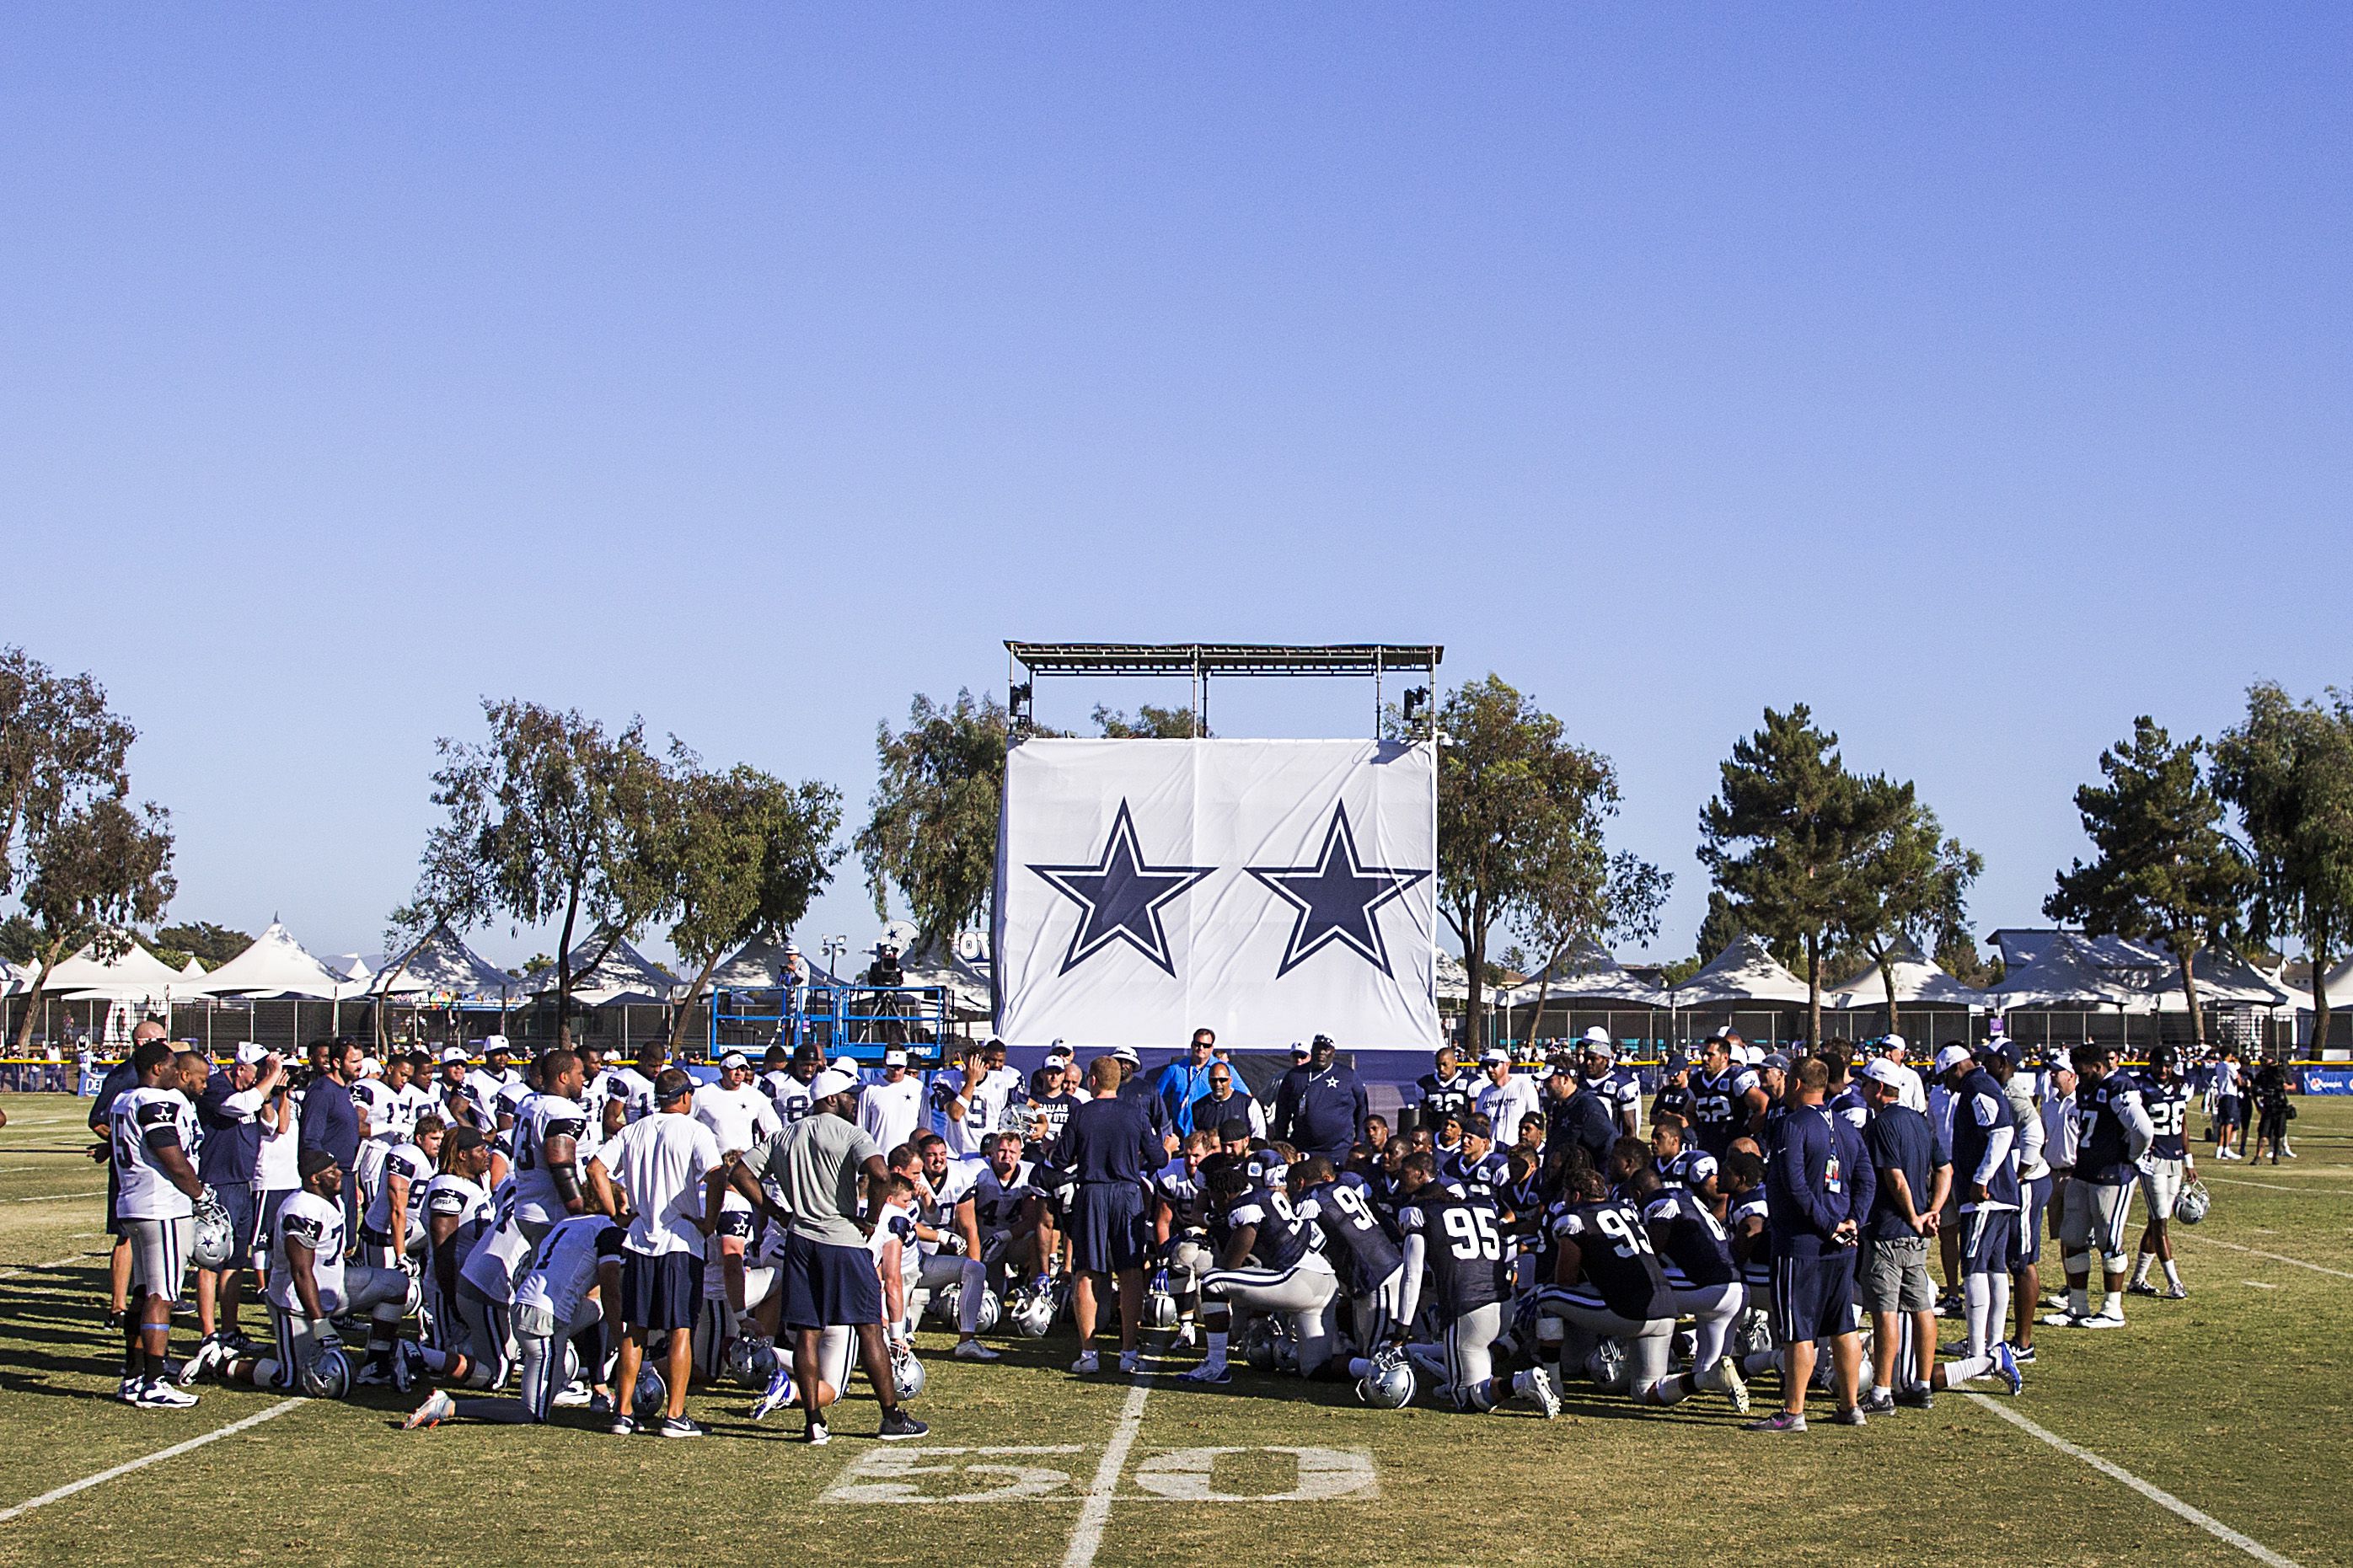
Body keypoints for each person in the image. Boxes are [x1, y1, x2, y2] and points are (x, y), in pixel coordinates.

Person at [730, 1065, 928, 1445]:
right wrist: (871, 1218)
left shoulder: (784, 1135)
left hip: (801, 1239)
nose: (854, 1102)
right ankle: (890, 1417)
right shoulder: (851, 1133)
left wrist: (776, 1213)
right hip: (843, 1239)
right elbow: (880, 1172)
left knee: (807, 1333)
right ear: (833, 1099)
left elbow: (741, 1173)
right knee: (869, 1327)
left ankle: (813, 1422)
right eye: (849, 1096)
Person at [587, 1067, 731, 1438]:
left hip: (639, 1239)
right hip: (680, 1240)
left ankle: (623, 1410)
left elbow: (596, 1168)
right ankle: (675, 1414)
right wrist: (709, 1221)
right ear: (684, 1097)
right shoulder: (696, 1131)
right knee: (680, 1328)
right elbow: (717, 1175)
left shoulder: (633, 1131)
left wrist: (616, 1214)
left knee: (635, 1329)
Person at [220, 1147, 415, 1398]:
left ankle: (376, 1362)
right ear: (315, 1178)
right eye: (331, 1172)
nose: (339, 1175)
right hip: (297, 1304)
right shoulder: (302, 1210)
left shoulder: (328, 1199)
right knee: (290, 1379)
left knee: (396, 1284)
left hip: (333, 1288)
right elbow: (301, 1271)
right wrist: (320, 1322)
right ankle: (221, 1364)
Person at [407, 1209, 624, 1428]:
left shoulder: (570, 1224)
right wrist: (622, 1342)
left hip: (523, 1304)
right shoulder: (608, 1232)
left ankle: (593, 1384)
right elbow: (611, 1290)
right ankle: (449, 1406)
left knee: (596, 1309)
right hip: (545, 1317)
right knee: (531, 1412)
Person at [1750, 1055, 1874, 1432]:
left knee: (1797, 1329)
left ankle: (1793, 1411)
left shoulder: (1793, 1126)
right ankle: (1850, 1405)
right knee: (1842, 1325)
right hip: (1842, 1244)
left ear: (1799, 1084)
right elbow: (1867, 1179)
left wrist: (1830, 1225)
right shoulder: (1847, 1127)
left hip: (1802, 1244)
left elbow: (1795, 1185)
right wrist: (1855, 1220)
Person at [108, 1039, 206, 1407]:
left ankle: (133, 1377)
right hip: (159, 1205)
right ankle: (153, 1381)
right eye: (169, 1066)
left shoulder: (124, 1100)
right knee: (161, 1296)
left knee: (143, 1291)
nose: (173, 1072)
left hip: (135, 1202)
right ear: (156, 1069)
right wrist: (199, 1193)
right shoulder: (153, 1100)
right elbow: (169, 1151)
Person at [1052, 1056, 1165, 1375]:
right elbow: (1158, 1156)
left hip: (1093, 1193)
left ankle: (1089, 1352)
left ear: (1092, 1080)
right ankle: (1128, 1351)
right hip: (1128, 1193)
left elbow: (1060, 1160)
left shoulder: (1080, 1114)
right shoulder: (1136, 1113)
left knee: (1087, 1272)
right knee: (1129, 1273)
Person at [1855, 1057, 1948, 1410]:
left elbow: (1895, 1177)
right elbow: (1944, 1169)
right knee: (1921, 1306)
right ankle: (1921, 1384)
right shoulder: (1920, 1122)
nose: (1862, 1090)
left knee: (1885, 1311)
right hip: (1916, 1232)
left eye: (1866, 1083)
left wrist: (1912, 1215)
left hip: (1890, 1230)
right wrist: (1932, 1212)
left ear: (1879, 1088)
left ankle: (1881, 1390)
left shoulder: (1881, 1126)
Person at [186, 1043, 283, 1368]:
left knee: (235, 1261)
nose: (265, 1077)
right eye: (260, 1070)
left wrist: (270, 1091)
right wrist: (267, 1082)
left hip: (244, 1183)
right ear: (241, 1068)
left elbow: (271, 1126)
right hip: (218, 1182)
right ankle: (209, 1333)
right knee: (210, 1261)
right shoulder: (216, 1087)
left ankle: (229, 1331)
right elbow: (239, 1106)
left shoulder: (256, 1092)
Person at [2045, 1044, 2151, 1331]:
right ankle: (2078, 1306)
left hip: (2112, 1176)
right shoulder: (2087, 1089)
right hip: (2085, 1171)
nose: (2079, 1076)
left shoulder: (2118, 1086)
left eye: (2082, 1071)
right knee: (2073, 1236)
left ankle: (2112, 1309)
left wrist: (2130, 1156)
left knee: (2109, 1241)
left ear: (2097, 1066)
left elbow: (2143, 1129)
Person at [89, 1019, 166, 1330]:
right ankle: (118, 1306)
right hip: (130, 1169)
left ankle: (154, 1295)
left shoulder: (162, 1073)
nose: (166, 1043)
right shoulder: (125, 1075)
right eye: (159, 1038)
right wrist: (119, 1143)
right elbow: (98, 1119)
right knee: (125, 1235)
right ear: (141, 1043)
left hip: (155, 1167)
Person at [2130, 1046, 2196, 1299]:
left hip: (2175, 1159)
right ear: (2152, 1064)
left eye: (2168, 1065)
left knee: (2157, 1220)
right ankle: (2174, 1281)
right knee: (2161, 1222)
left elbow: (2183, 1125)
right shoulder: (2140, 1087)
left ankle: (2138, 1279)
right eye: (2160, 1065)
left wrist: (2189, 1160)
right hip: (2152, 1161)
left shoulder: (2183, 1086)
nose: (2164, 1070)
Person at [299, 1038, 364, 1230]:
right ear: (337, 1063)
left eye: (360, 1061)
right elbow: (310, 1140)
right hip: (331, 1180)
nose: (359, 1067)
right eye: (353, 1062)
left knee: (348, 1241)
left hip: (347, 1176)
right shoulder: (322, 1092)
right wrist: (325, 1180)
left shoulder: (344, 1090)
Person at [1272, 1036, 1368, 1165]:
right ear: (1312, 1051)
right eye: (1317, 1049)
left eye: (1326, 1049)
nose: (1321, 1053)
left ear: (1333, 1052)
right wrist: (1281, 1141)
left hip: (1339, 1150)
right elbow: (1282, 1110)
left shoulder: (1347, 1075)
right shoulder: (1295, 1076)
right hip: (1303, 1149)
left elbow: (1362, 1107)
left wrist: (1360, 1139)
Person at [1471, 1047, 1539, 1160]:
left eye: (1494, 1065)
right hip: (1492, 1154)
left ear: (1507, 1064)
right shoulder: (1484, 1094)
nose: (1489, 1069)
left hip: (1518, 1153)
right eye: (1486, 1065)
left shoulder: (1524, 1087)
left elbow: (1534, 1123)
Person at [1156, 1029, 1221, 1136]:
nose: (1201, 1048)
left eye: (1206, 1045)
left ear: (1212, 1048)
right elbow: (1156, 1100)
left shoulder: (1223, 1069)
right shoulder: (1174, 1070)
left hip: (1210, 1137)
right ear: (1192, 1044)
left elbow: (1245, 1098)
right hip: (1181, 1136)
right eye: (1198, 1044)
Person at [860, 1048, 924, 1153]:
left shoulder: (920, 1089)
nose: (896, 1071)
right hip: (879, 1161)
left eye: (900, 1067)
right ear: (884, 1064)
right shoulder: (870, 1089)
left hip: (910, 1162)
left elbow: (925, 1128)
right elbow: (862, 1129)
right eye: (892, 1067)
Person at [1192, 1060, 1264, 1141]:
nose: (1218, 1084)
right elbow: (1197, 1138)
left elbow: (1259, 1136)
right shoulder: (1198, 1107)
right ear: (1208, 1081)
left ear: (1230, 1080)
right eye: (1214, 1080)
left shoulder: (1248, 1104)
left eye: (1222, 1080)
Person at [1416, 1043, 1479, 1135]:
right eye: (1438, 1065)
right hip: (1435, 1130)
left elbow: (1473, 1112)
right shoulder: (1426, 1083)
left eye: (1445, 1064)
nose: (1441, 1068)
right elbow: (1424, 1113)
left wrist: (1471, 1132)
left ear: (1455, 1062)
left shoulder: (1469, 1081)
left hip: (1460, 1131)